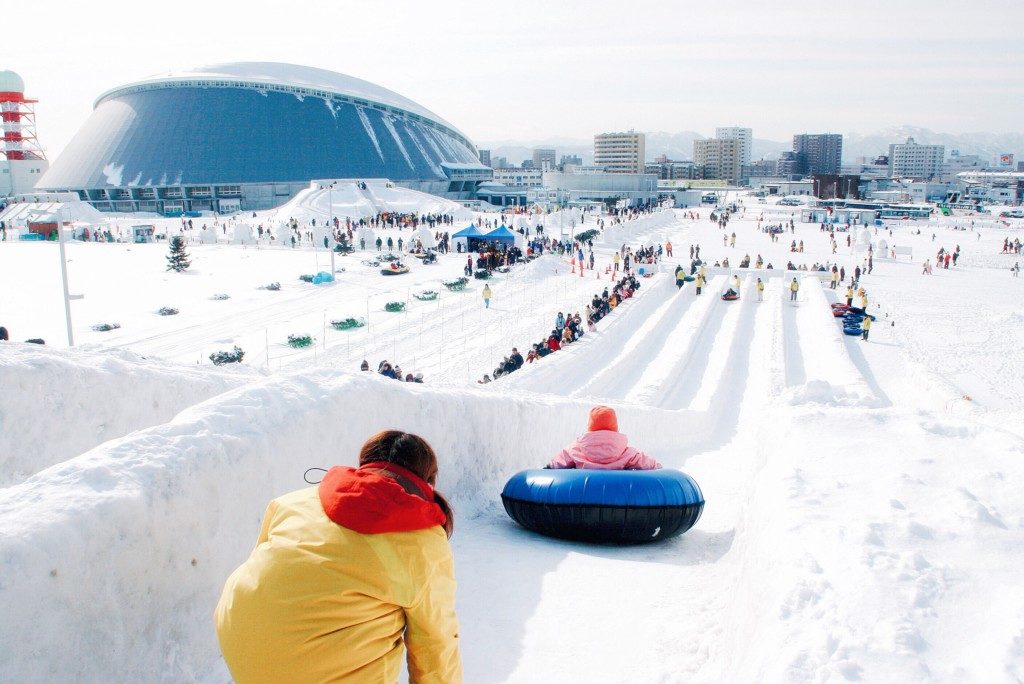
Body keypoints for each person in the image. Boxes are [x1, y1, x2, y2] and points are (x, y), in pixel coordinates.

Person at [215, 431, 461, 683]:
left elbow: (267, 567)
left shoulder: (293, 501)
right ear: (427, 481)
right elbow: (436, 644)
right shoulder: (422, 541)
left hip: (241, 639)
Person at [546, 406, 661, 470]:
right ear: (615, 428)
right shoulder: (626, 453)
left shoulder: (575, 450)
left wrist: (548, 468)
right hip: (615, 497)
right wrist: (658, 466)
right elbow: (646, 462)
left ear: (590, 428)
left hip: (584, 496)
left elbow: (557, 462)